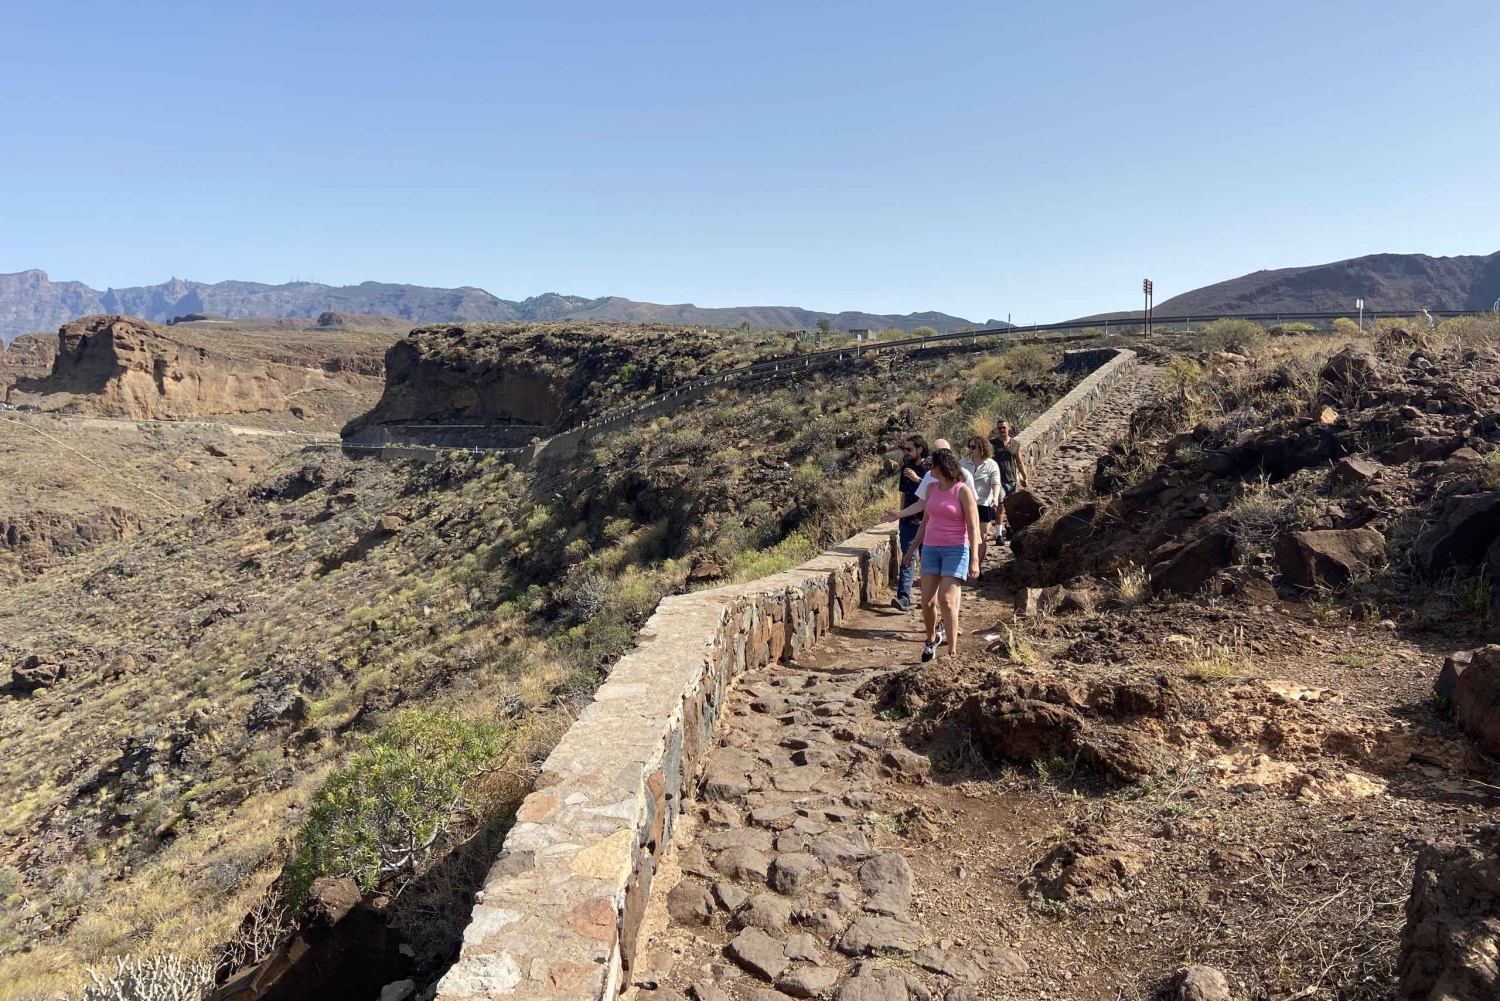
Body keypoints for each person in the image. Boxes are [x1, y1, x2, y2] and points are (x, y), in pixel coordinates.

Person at [901, 448, 981, 661]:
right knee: (927, 602)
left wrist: (974, 559)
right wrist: (911, 550)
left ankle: (952, 651)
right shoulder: (931, 489)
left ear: (942, 466)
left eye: (931, 465)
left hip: (956, 549)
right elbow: (925, 523)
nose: (928, 469)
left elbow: (973, 527)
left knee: (946, 599)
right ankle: (931, 640)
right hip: (930, 549)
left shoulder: (962, 490)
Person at [890, 434, 928, 612]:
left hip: (927, 521)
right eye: (905, 449)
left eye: (909, 449)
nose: (906, 452)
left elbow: (935, 490)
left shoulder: (931, 468)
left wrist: (918, 480)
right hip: (908, 521)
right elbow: (904, 494)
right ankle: (903, 597)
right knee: (907, 557)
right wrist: (899, 514)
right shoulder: (905, 468)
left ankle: (928, 597)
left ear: (919, 449)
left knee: (928, 561)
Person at [962, 437, 1002, 568]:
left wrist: (995, 498)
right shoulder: (963, 462)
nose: (970, 449)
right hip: (965, 503)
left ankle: (977, 566)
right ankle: (966, 565)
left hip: (983, 503)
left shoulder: (991, 464)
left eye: (974, 447)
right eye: (970, 446)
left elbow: (996, 483)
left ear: (982, 448)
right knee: (966, 535)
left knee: (981, 536)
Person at [990, 420, 1028, 541]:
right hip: (998, 480)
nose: (1001, 430)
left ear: (1009, 428)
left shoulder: (1015, 444)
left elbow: (1019, 462)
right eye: (999, 428)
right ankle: (999, 534)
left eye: (1003, 428)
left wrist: (1024, 477)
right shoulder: (993, 444)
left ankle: (1009, 527)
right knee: (1000, 504)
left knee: (1011, 506)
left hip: (1011, 479)